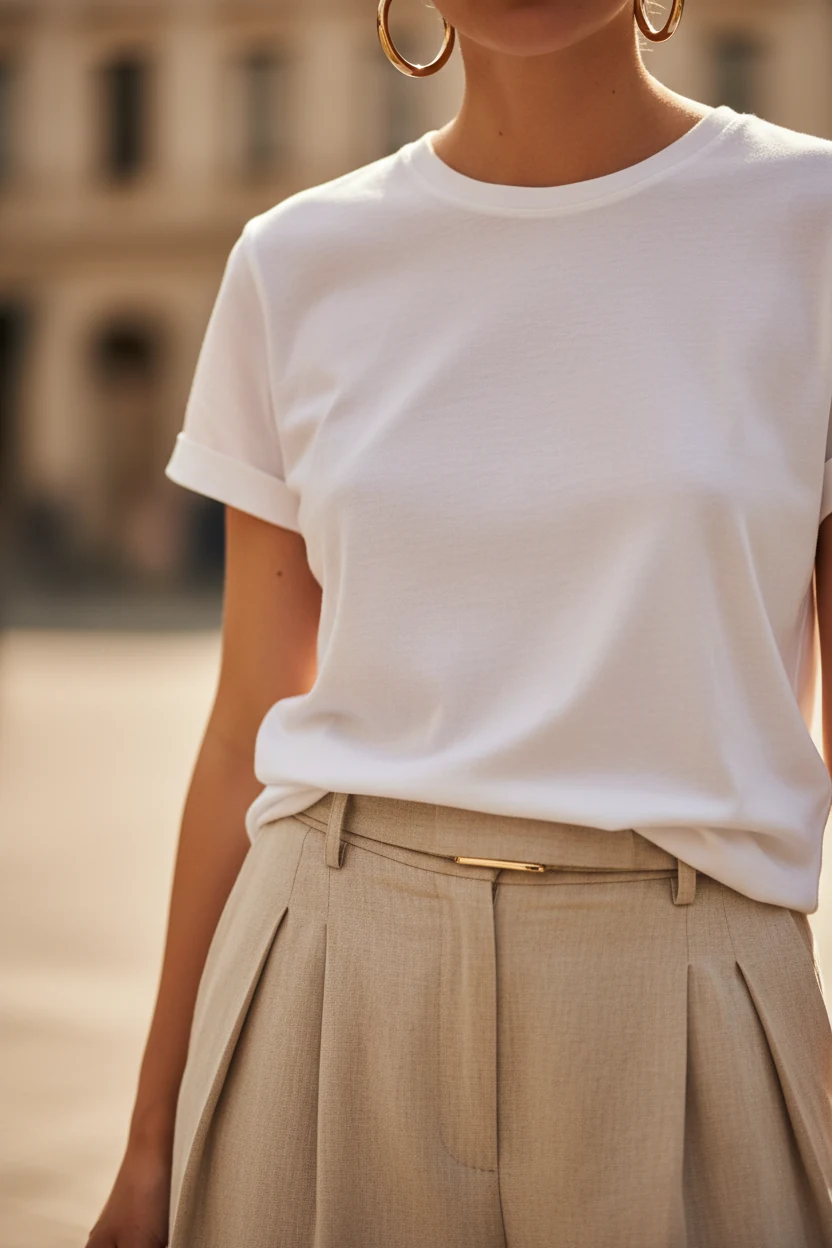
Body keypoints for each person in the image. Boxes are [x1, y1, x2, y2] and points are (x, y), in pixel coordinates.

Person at [86, 0, 832, 1244]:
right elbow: (243, 728)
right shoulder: (293, 260)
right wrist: (151, 1142)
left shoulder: (808, 229)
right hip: (325, 978)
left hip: (690, 985)